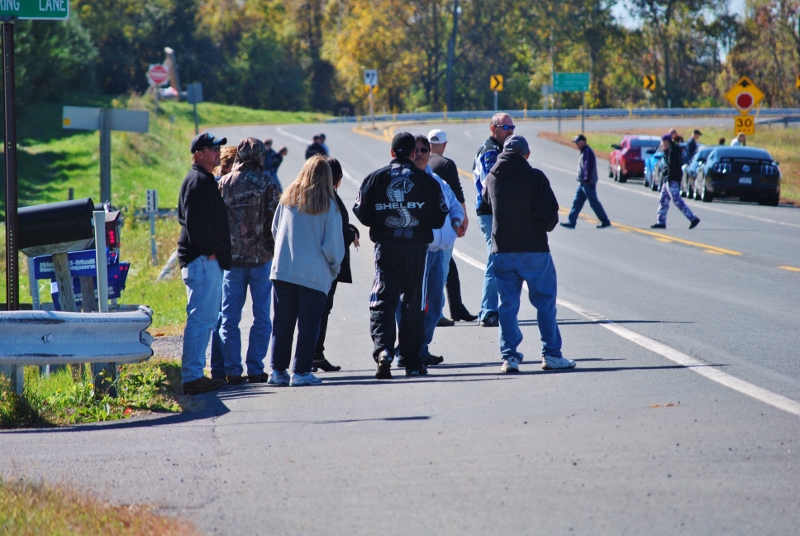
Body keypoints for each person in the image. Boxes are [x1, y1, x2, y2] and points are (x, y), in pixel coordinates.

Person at [353, 132, 448, 379]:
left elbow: (361, 213)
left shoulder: (375, 178)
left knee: (383, 300)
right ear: (413, 153)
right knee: (414, 302)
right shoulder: (427, 181)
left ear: (392, 152)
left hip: (386, 247)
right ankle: (411, 360)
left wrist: (384, 217)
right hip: (416, 249)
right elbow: (439, 218)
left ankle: (383, 350)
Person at [481, 135, 575, 373]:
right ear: (526, 155)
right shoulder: (535, 177)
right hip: (534, 250)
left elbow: (484, 205)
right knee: (544, 303)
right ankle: (551, 354)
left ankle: (509, 357)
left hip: (502, 251)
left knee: (508, 306)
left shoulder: (492, 177)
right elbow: (550, 215)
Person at [267, 156, 344, 387]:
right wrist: (334, 268)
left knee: (282, 323)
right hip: (313, 274)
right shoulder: (328, 205)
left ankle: (277, 370)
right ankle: (300, 372)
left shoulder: (287, 198)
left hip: (283, 271)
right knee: (309, 325)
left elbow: (274, 230)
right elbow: (332, 246)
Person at [218, 138, 282, 384]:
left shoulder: (223, 183)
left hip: (231, 261)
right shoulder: (268, 183)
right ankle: (255, 368)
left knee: (229, 318)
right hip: (261, 259)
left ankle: (233, 371)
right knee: (262, 316)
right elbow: (275, 223)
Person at [177, 132, 231, 395]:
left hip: (203, 260)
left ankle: (196, 374)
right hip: (201, 261)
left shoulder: (202, 179)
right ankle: (192, 376)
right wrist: (211, 251)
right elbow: (194, 223)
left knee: (206, 318)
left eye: (218, 148)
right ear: (198, 154)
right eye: (212, 148)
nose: (217, 152)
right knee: (201, 319)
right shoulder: (198, 181)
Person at [409, 134, 464, 367]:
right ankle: (408, 349)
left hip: (439, 252)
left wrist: (453, 227)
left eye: (424, 150)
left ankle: (422, 347)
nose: (420, 154)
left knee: (434, 305)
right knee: (412, 305)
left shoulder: (437, 181)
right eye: (416, 150)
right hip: (416, 253)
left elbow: (455, 206)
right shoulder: (406, 181)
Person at [311, 156, 360, 373]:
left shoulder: (321, 196)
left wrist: (351, 229)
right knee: (319, 310)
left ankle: (315, 353)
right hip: (327, 265)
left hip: (321, 264)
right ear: (336, 178)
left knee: (321, 310)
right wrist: (350, 233)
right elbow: (334, 234)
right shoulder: (328, 198)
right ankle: (312, 354)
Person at [427, 128, 476, 324]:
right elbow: (456, 194)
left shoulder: (421, 162)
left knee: (449, 268)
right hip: (444, 225)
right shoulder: (446, 164)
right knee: (441, 269)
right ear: (444, 145)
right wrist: (463, 218)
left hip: (425, 225)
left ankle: (457, 307)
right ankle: (436, 314)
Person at [473, 113, 516, 328]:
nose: (510, 130)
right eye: (506, 127)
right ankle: (488, 311)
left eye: (512, 127)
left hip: (499, 212)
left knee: (499, 259)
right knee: (494, 259)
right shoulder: (490, 152)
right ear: (494, 129)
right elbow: (492, 185)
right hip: (490, 213)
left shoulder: (501, 150)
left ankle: (494, 309)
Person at [209, 145, 238, 382]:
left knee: (223, 315)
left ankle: (224, 368)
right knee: (220, 315)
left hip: (226, 256)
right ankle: (220, 369)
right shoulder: (219, 184)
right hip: (218, 257)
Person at [560, 134, 611, 229]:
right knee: (577, 202)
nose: (576, 145)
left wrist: (587, 180)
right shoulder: (584, 151)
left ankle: (605, 221)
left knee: (594, 203)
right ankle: (571, 222)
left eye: (577, 143)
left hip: (587, 183)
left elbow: (588, 166)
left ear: (582, 142)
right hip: (582, 183)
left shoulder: (587, 152)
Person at [651, 133, 700, 230]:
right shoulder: (669, 150)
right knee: (663, 201)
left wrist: (669, 178)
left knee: (677, 200)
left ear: (666, 141)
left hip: (671, 179)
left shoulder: (672, 151)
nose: (662, 143)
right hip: (667, 180)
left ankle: (693, 218)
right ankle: (661, 221)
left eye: (663, 141)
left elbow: (672, 167)